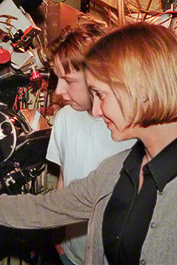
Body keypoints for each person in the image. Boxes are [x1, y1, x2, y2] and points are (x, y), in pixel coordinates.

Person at [0, 23, 177, 265]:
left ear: (143, 90)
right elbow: (46, 208)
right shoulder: (120, 168)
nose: (96, 111)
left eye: (101, 95)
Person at [46, 22, 135, 265]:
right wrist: (59, 242)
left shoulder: (132, 128)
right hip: (70, 254)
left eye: (69, 80)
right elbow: (65, 181)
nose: (59, 90)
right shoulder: (64, 117)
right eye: (56, 78)